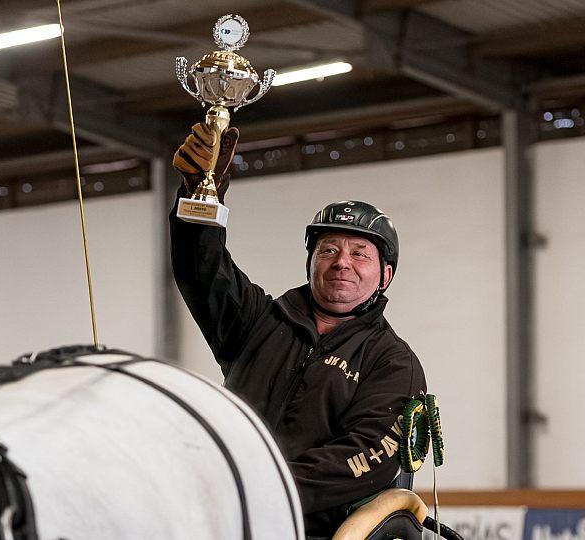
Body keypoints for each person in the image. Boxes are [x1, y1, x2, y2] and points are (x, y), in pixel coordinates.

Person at [171, 123, 427, 536]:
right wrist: (200, 194)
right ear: (311, 263)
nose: (342, 261)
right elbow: (202, 271)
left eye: (360, 253)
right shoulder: (258, 322)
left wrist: (264, 486)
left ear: (385, 275)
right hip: (223, 514)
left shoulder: (393, 362)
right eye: (328, 249)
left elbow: (364, 455)